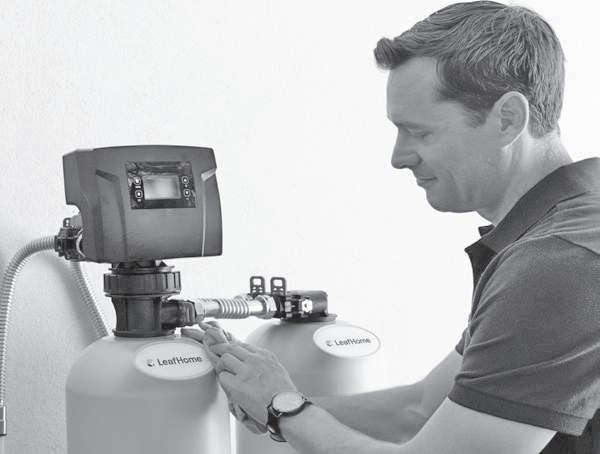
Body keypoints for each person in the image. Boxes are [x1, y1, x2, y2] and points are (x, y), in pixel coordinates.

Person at [186, 2, 600, 452]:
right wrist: (264, 394)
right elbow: (418, 409)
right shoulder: (570, 231)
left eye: (420, 132)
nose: (398, 157)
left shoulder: (559, 262)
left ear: (508, 119)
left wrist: (282, 409)